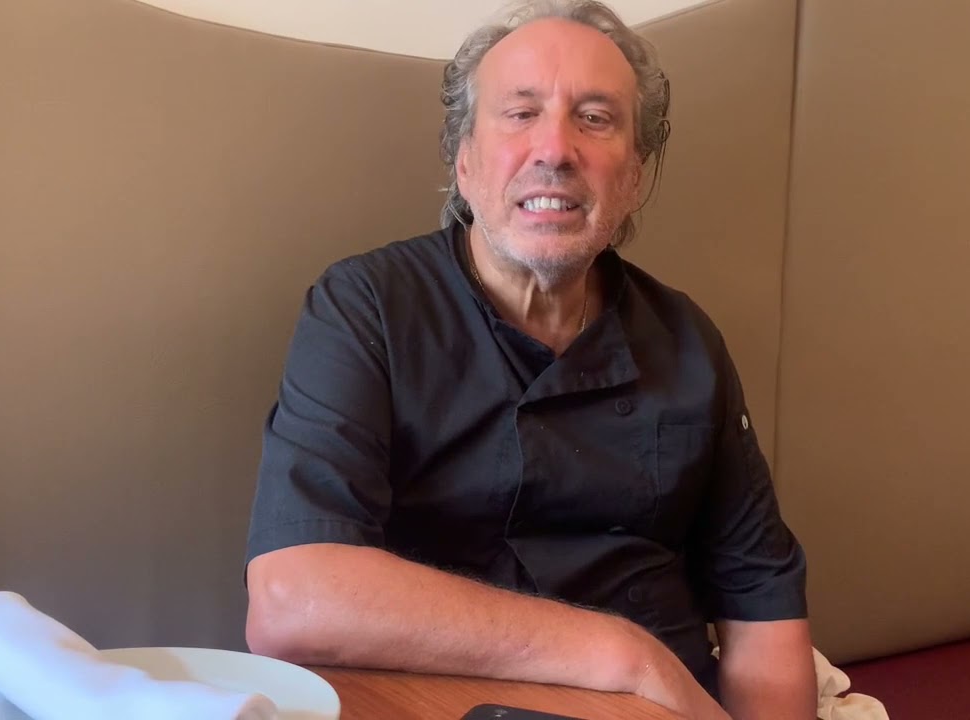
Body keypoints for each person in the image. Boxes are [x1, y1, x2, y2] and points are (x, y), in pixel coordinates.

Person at [244, 2, 815, 718]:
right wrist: (623, 655)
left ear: (635, 175)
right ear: (464, 160)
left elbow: (763, 611)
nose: (555, 149)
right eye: (520, 114)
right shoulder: (368, 307)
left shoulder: (688, 340)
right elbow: (294, 599)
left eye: (596, 118)